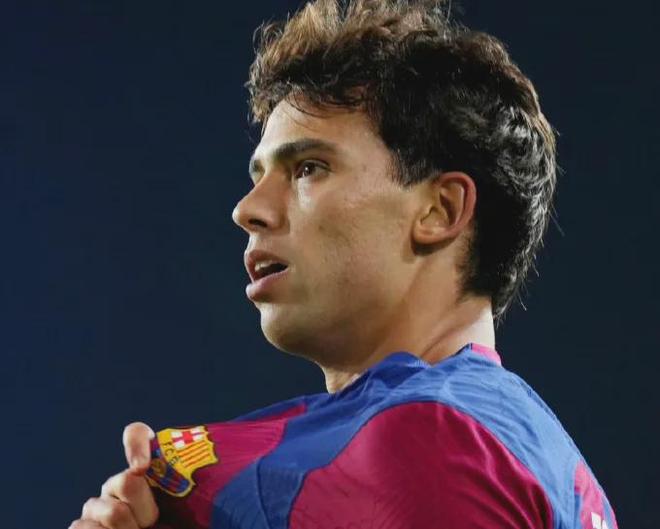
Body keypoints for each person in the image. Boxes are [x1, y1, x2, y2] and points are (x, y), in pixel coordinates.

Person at [69, 1, 618, 528]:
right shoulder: (537, 454)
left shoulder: (433, 437)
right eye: (258, 176)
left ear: (439, 210)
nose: (248, 209)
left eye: (309, 168)